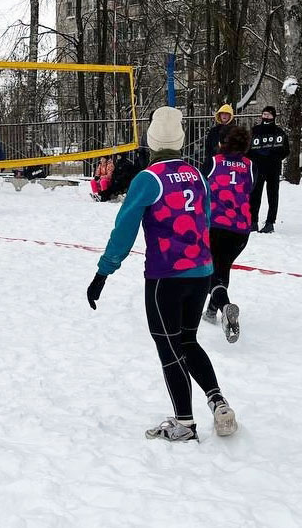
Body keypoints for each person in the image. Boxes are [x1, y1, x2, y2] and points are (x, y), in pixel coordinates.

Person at [86, 105, 238, 443]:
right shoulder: (197, 175)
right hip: (200, 273)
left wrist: (103, 273)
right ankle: (218, 401)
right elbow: (207, 220)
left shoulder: (148, 179)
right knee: (188, 340)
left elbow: (123, 230)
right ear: (180, 142)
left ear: (152, 142)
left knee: (168, 347)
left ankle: (185, 422)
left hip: (166, 277)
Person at [202, 125, 254, 343]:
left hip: (216, 225)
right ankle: (212, 312)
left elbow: (201, 187)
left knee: (211, 273)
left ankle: (223, 307)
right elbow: (250, 189)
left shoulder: (214, 162)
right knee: (222, 268)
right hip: (241, 229)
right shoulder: (249, 165)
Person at [248, 105, 289, 233]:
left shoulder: (279, 132)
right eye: (264, 114)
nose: (266, 117)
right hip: (257, 168)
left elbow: (285, 150)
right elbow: (247, 149)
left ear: (273, 117)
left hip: (273, 168)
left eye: (269, 115)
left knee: (272, 195)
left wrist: (275, 158)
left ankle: (270, 222)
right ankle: (253, 222)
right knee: (255, 195)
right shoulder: (254, 131)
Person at [202, 104, 235, 171]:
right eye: (222, 113)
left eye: (227, 113)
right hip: (214, 161)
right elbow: (208, 147)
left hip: (230, 162)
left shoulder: (235, 130)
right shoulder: (214, 131)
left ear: (230, 116)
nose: (224, 115)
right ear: (219, 115)